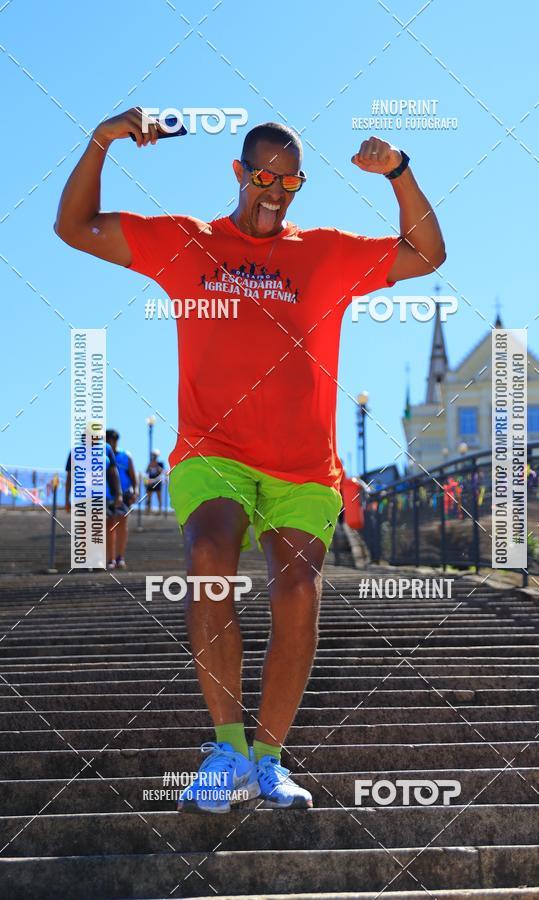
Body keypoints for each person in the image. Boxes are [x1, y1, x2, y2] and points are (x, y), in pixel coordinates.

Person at [54, 110, 445, 812]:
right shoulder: (186, 242)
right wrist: (102, 141)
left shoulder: (323, 253)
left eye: (290, 180)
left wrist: (399, 172)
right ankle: (228, 747)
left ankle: (268, 761)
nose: (275, 191)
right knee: (208, 551)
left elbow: (426, 253)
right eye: (263, 176)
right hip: (215, 452)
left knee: (297, 590)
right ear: (239, 173)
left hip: (305, 466)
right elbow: (73, 228)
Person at [65, 434, 126, 569]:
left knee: (105, 526)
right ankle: (89, 559)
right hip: (83, 496)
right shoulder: (75, 452)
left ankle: (108, 559)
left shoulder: (106, 449)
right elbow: (70, 477)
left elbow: (113, 473)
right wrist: (67, 499)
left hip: (103, 495)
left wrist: (119, 493)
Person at [106, 429, 138, 568]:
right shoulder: (103, 455)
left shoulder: (126, 456)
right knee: (108, 526)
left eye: (113, 440)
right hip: (107, 494)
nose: (111, 443)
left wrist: (135, 490)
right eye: (108, 440)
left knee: (121, 524)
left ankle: (120, 556)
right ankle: (110, 558)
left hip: (124, 493)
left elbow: (133, 476)